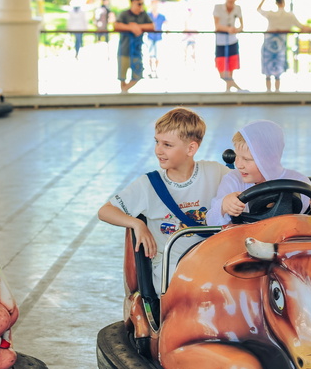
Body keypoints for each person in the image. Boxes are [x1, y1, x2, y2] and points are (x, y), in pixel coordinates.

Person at [98, 107, 229, 293]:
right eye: (157, 142)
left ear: (191, 148)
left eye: (167, 145)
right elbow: (105, 211)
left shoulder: (215, 172)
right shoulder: (149, 184)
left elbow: (247, 189)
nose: (158, 150)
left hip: (212, 261)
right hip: (171, 269)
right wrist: (137, 224)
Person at [206, 120, 311, 226]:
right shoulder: (233, 180)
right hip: (244, 249)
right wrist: (224, 206)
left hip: (290, 249)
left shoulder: (299, 182)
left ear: (270, 159)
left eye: (247, 159)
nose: (239, 164)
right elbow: (211, 224)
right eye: (237, 156)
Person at [257, 0, 311, 92]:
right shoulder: (289, 15)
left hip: (268, 44)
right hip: (280, 45)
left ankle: (268, 92)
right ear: (283, 2)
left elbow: (259, 9)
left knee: (268, 71)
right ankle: (277, 92)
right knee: (278, 72)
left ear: (275, 2)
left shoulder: (271, 14)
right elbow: (302, 27)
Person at [115, 0, 155, 92]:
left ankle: (124, 90)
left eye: (142, 4)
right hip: (124, 49)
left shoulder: (143, 14)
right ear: (133, 3)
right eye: (139, 4)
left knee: (138, 74)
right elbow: (116, 25)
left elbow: (152, 26)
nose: (141, 6)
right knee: (122, 76)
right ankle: (124, 92)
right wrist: (131, 28)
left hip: (137, 51)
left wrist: (138, 26)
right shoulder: (124, 14)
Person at [213, 0, 245, 92]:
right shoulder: (218, 7)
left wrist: (236, 29)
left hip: (232, 40)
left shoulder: (238, 8)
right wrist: (228, 29)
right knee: (221, 69)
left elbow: (241, 25)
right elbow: (217, 25)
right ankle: (238, 88)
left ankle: (229, 90)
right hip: (221, 41)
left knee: (231, 68)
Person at [146, 0, 166, 79]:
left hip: (158, 37)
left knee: (157, 55)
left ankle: (156, 71)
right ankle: (151, 71)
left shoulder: (161, 16)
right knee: (150, 55)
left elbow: (166, 23)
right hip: (150, 37)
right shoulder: (148, 15)